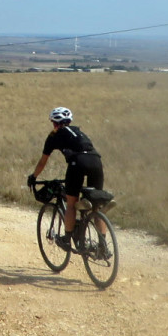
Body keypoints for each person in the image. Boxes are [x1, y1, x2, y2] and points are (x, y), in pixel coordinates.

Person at [27, 106, 104, 252]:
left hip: (78, 162)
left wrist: (34, 177)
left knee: (71, 203)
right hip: (96, 161)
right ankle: (103, 246)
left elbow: (43, 162)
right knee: (96, 206)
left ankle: (67, 239)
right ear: (69, 121)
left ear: (54, 123)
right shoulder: (79, 132)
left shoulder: (53, 136)